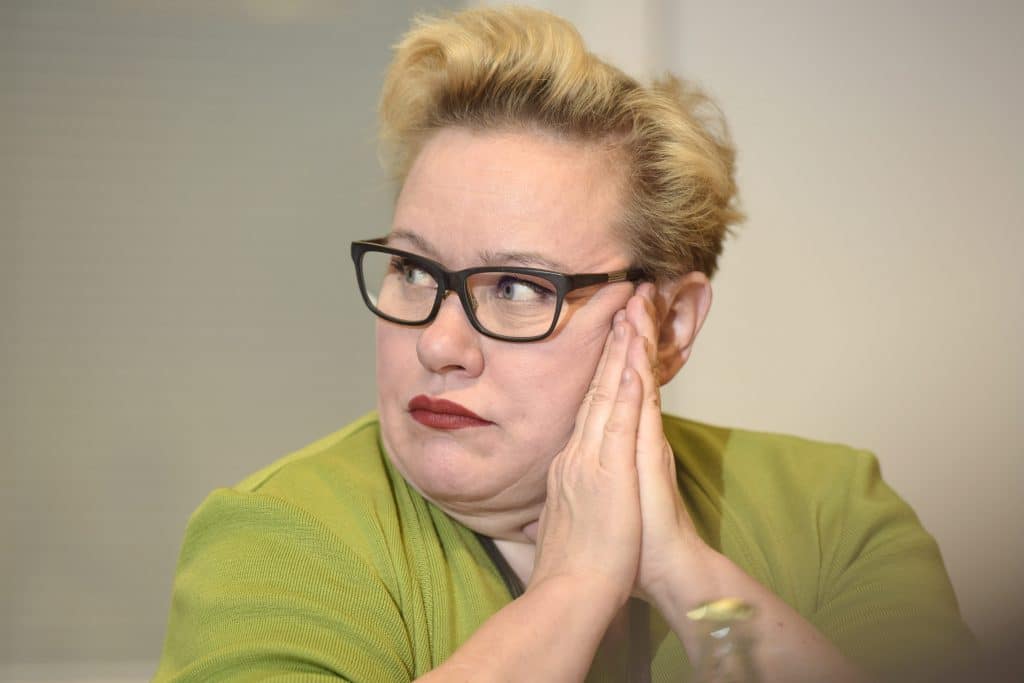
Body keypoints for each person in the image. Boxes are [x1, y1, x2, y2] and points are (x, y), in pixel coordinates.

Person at [154, 6, 974, 681]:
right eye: (412, 269)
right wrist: (574, 587)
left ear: (669, 326)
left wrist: (682, 572)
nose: (440, 343)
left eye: (517, 287)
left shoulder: (831, 511)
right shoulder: (279, 538)